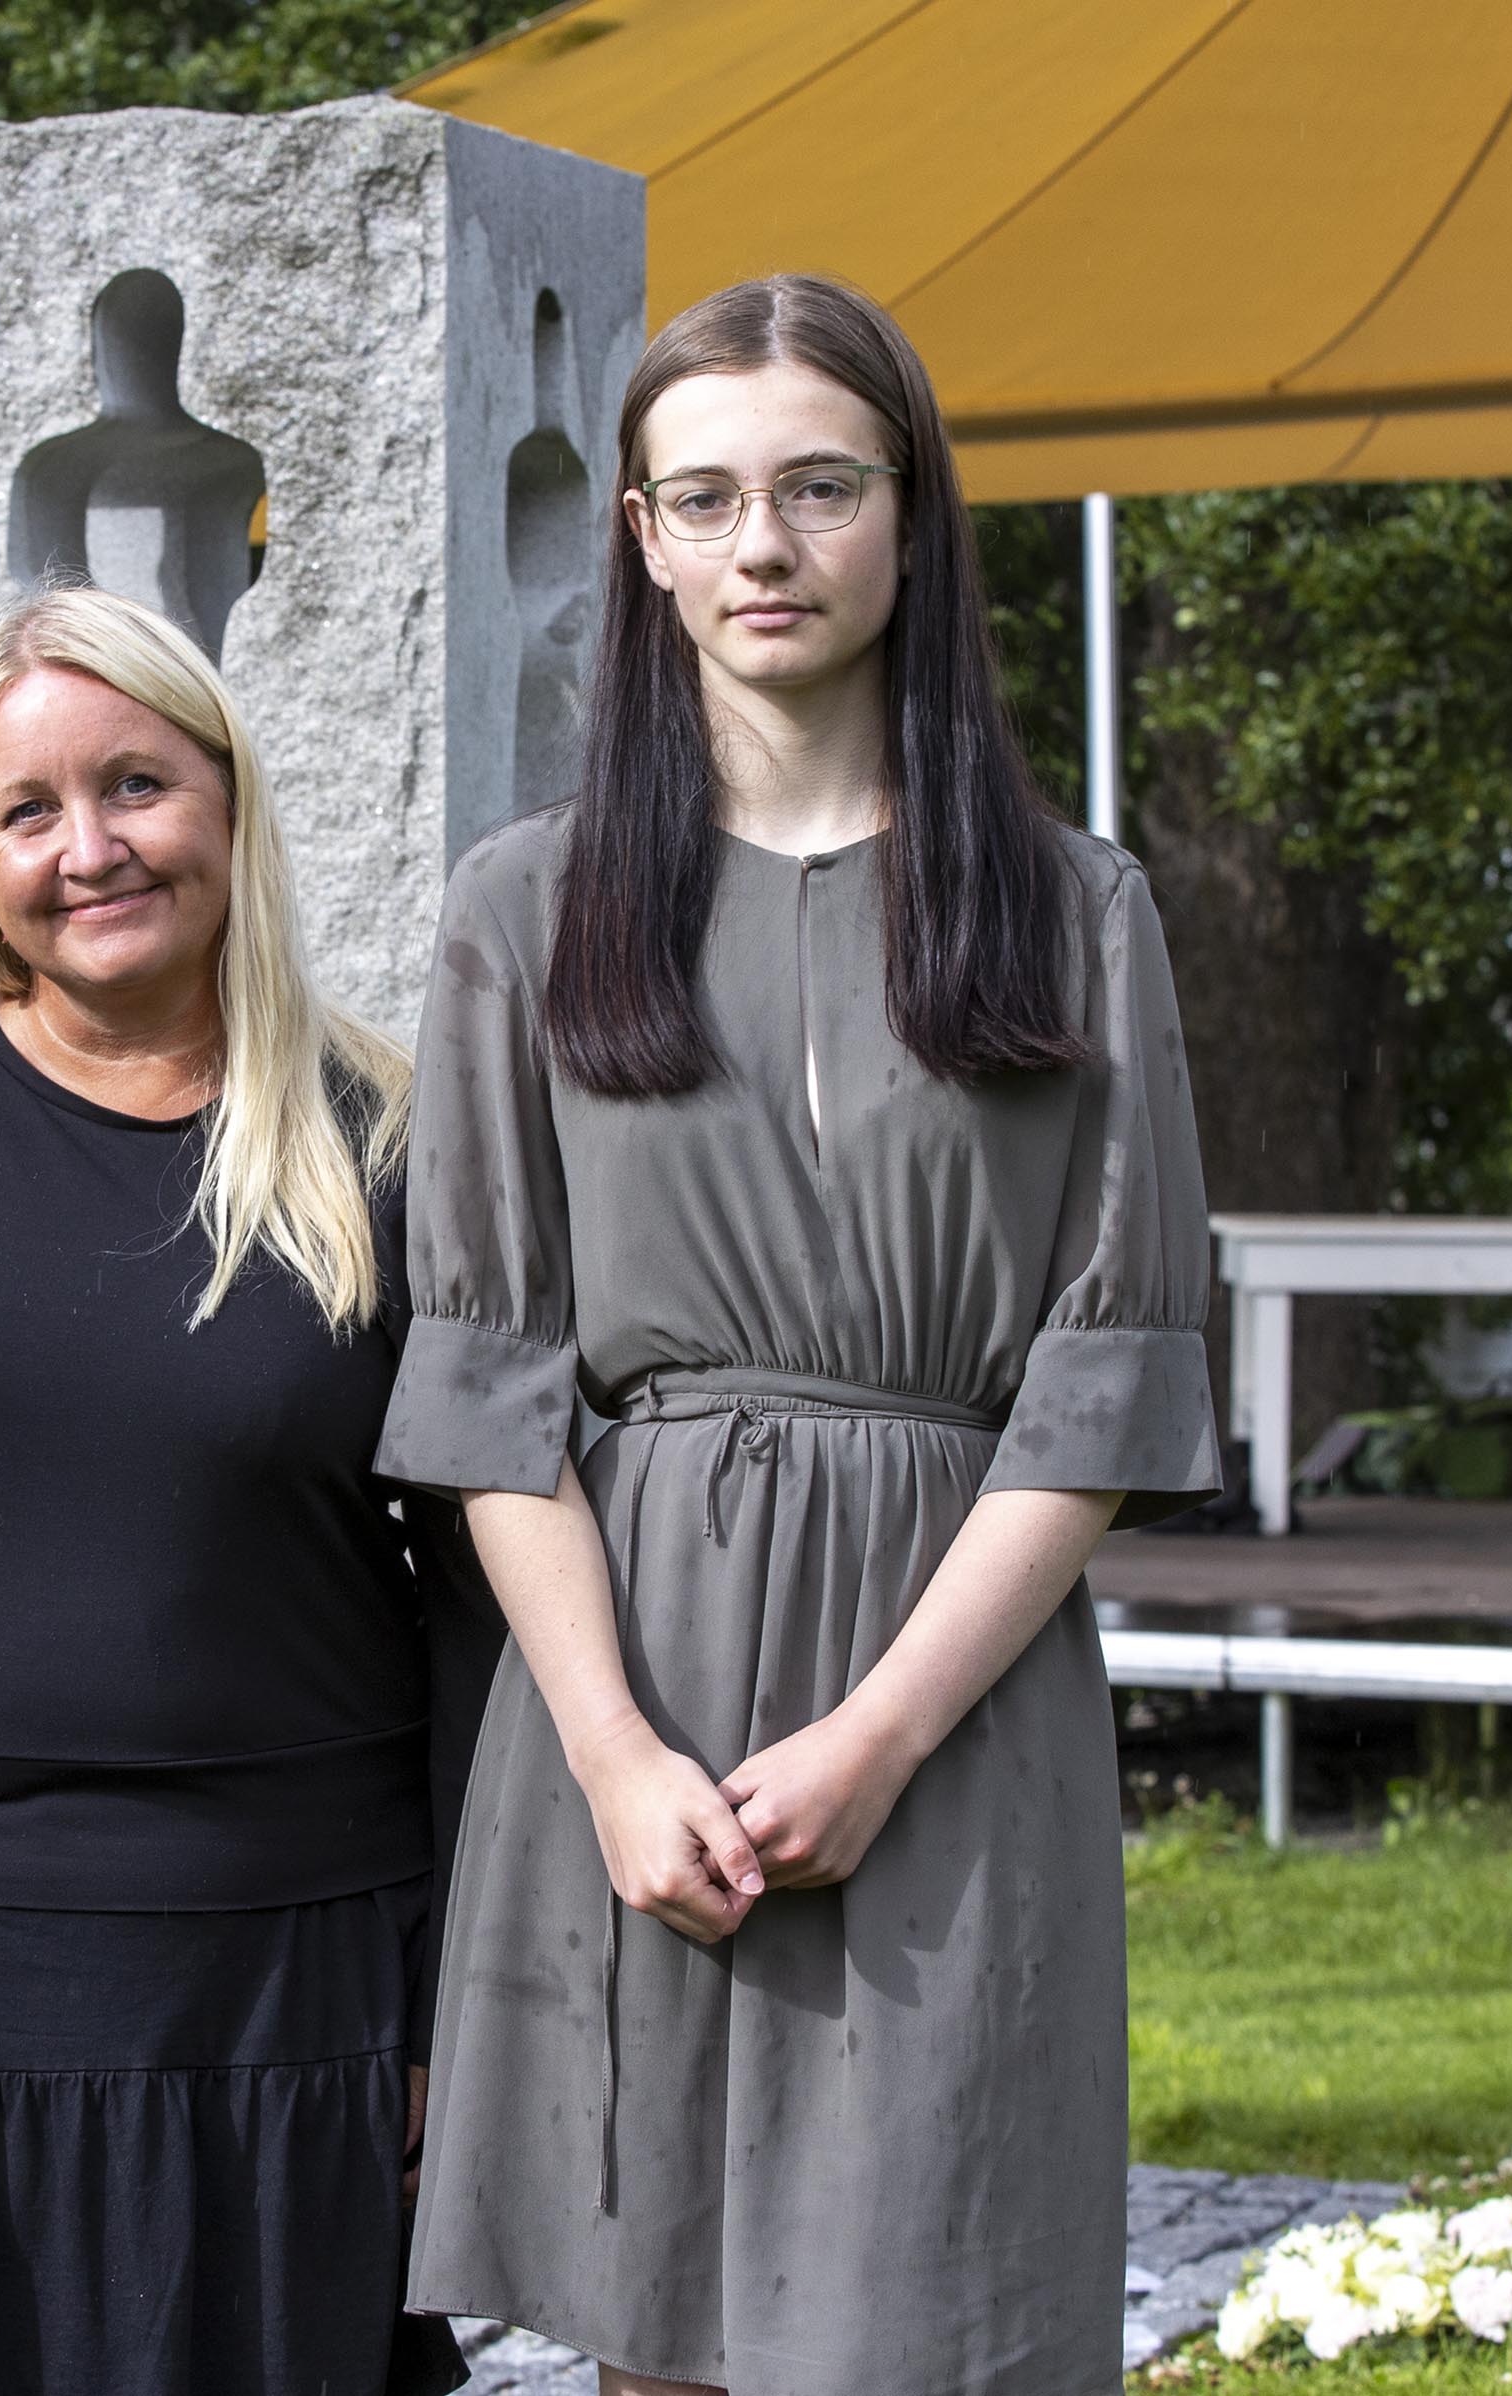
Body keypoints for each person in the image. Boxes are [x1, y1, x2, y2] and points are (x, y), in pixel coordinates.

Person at [381, 275, 1220, 2396]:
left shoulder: (1071, 907)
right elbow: (488, 1383)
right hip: (631, 1684)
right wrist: (609, 1753)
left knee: (935, 2305)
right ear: (646, 542)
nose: (764, 544)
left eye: (819, 487)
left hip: (954, 1689)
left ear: (912, 520)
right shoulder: (525, 908)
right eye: (710, 497)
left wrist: (878, 1736)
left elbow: (1104, 1369)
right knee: (653, 2317)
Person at [0, 584, 492, 2396]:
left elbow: (481, 1610)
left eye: (137, 784)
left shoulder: (387, 1143)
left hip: (288, 1994)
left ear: (226, 798)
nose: (90, 849)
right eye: (28, 812)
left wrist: (460, 2005)